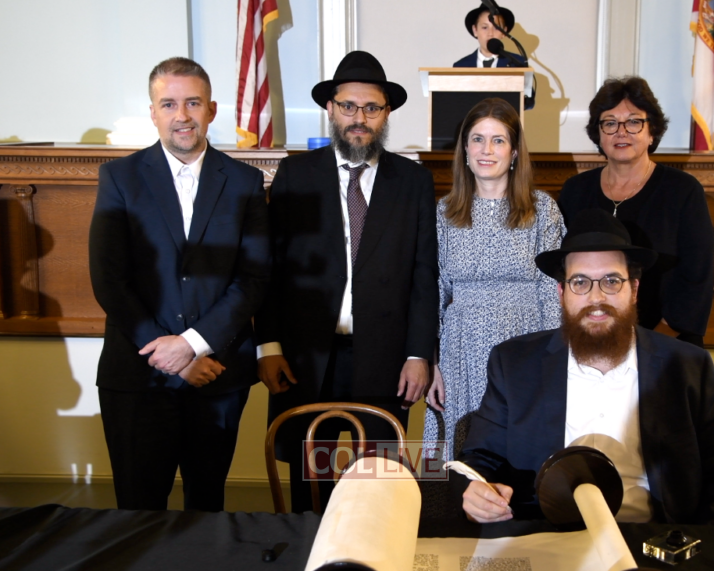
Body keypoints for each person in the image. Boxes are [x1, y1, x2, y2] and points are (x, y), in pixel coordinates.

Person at [456, 209, 714, 526]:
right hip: (544, 538)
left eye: (611, 281)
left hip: (651, 540)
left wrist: (710, 542)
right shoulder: (514, 362)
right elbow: (481, 457)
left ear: (633, 290)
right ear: (561, 293)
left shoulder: (687, 364)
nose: (596, 298)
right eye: (580, 282)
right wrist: (478, 491)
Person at [254, 50, 438, 513]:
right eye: (349, 106)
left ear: (386, 113)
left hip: (384, 358)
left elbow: (423, 273)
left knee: (377, 483)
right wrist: (268, 346)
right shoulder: (295, 176)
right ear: (331, 109)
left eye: (371, 108)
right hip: (305, 358)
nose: (360, 118)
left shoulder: (413, 181)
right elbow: (270, 270)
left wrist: (419, 354)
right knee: (308, 482)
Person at [89, 57, 269, 512]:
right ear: (153, 112)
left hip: (217, 376)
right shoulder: (119, 177)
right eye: (168, 104)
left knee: (206, 508)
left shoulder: (245, 182)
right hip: (136, 377)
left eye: (192, 102)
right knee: (137, 508)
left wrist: (193, 344)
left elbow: (254, 277)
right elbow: (109, 278)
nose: (182, 115)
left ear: (211, 109)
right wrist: (168, 353)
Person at [423, 98, 564, 467]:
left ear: (515, 152)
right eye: (477, 139)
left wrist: (552, 360)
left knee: (521, 452)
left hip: (524, 345)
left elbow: (552, 289)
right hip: (460, 352)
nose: (487, 150)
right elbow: (435, 291)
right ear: (465, 150)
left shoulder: (542, 209)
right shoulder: (443, 212)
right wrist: (432, 363)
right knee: (460, 457)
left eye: (498, 140)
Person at [558, 76, 714, 348]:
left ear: (651, 131)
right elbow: (563, 270)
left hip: (668, 342)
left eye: (633, 121)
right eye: (610, 123)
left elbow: (696, 276)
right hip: (591, 339)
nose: (621, 132)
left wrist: (653, 340)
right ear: (599, 134)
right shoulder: (575, 191)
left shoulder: (683, 191)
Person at [453, 5, 526, 68]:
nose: (490, 33)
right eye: (485, 27)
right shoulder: (461, 65)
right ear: (475, 30)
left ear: (504, 32)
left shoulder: (517, 63)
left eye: (496, 28)